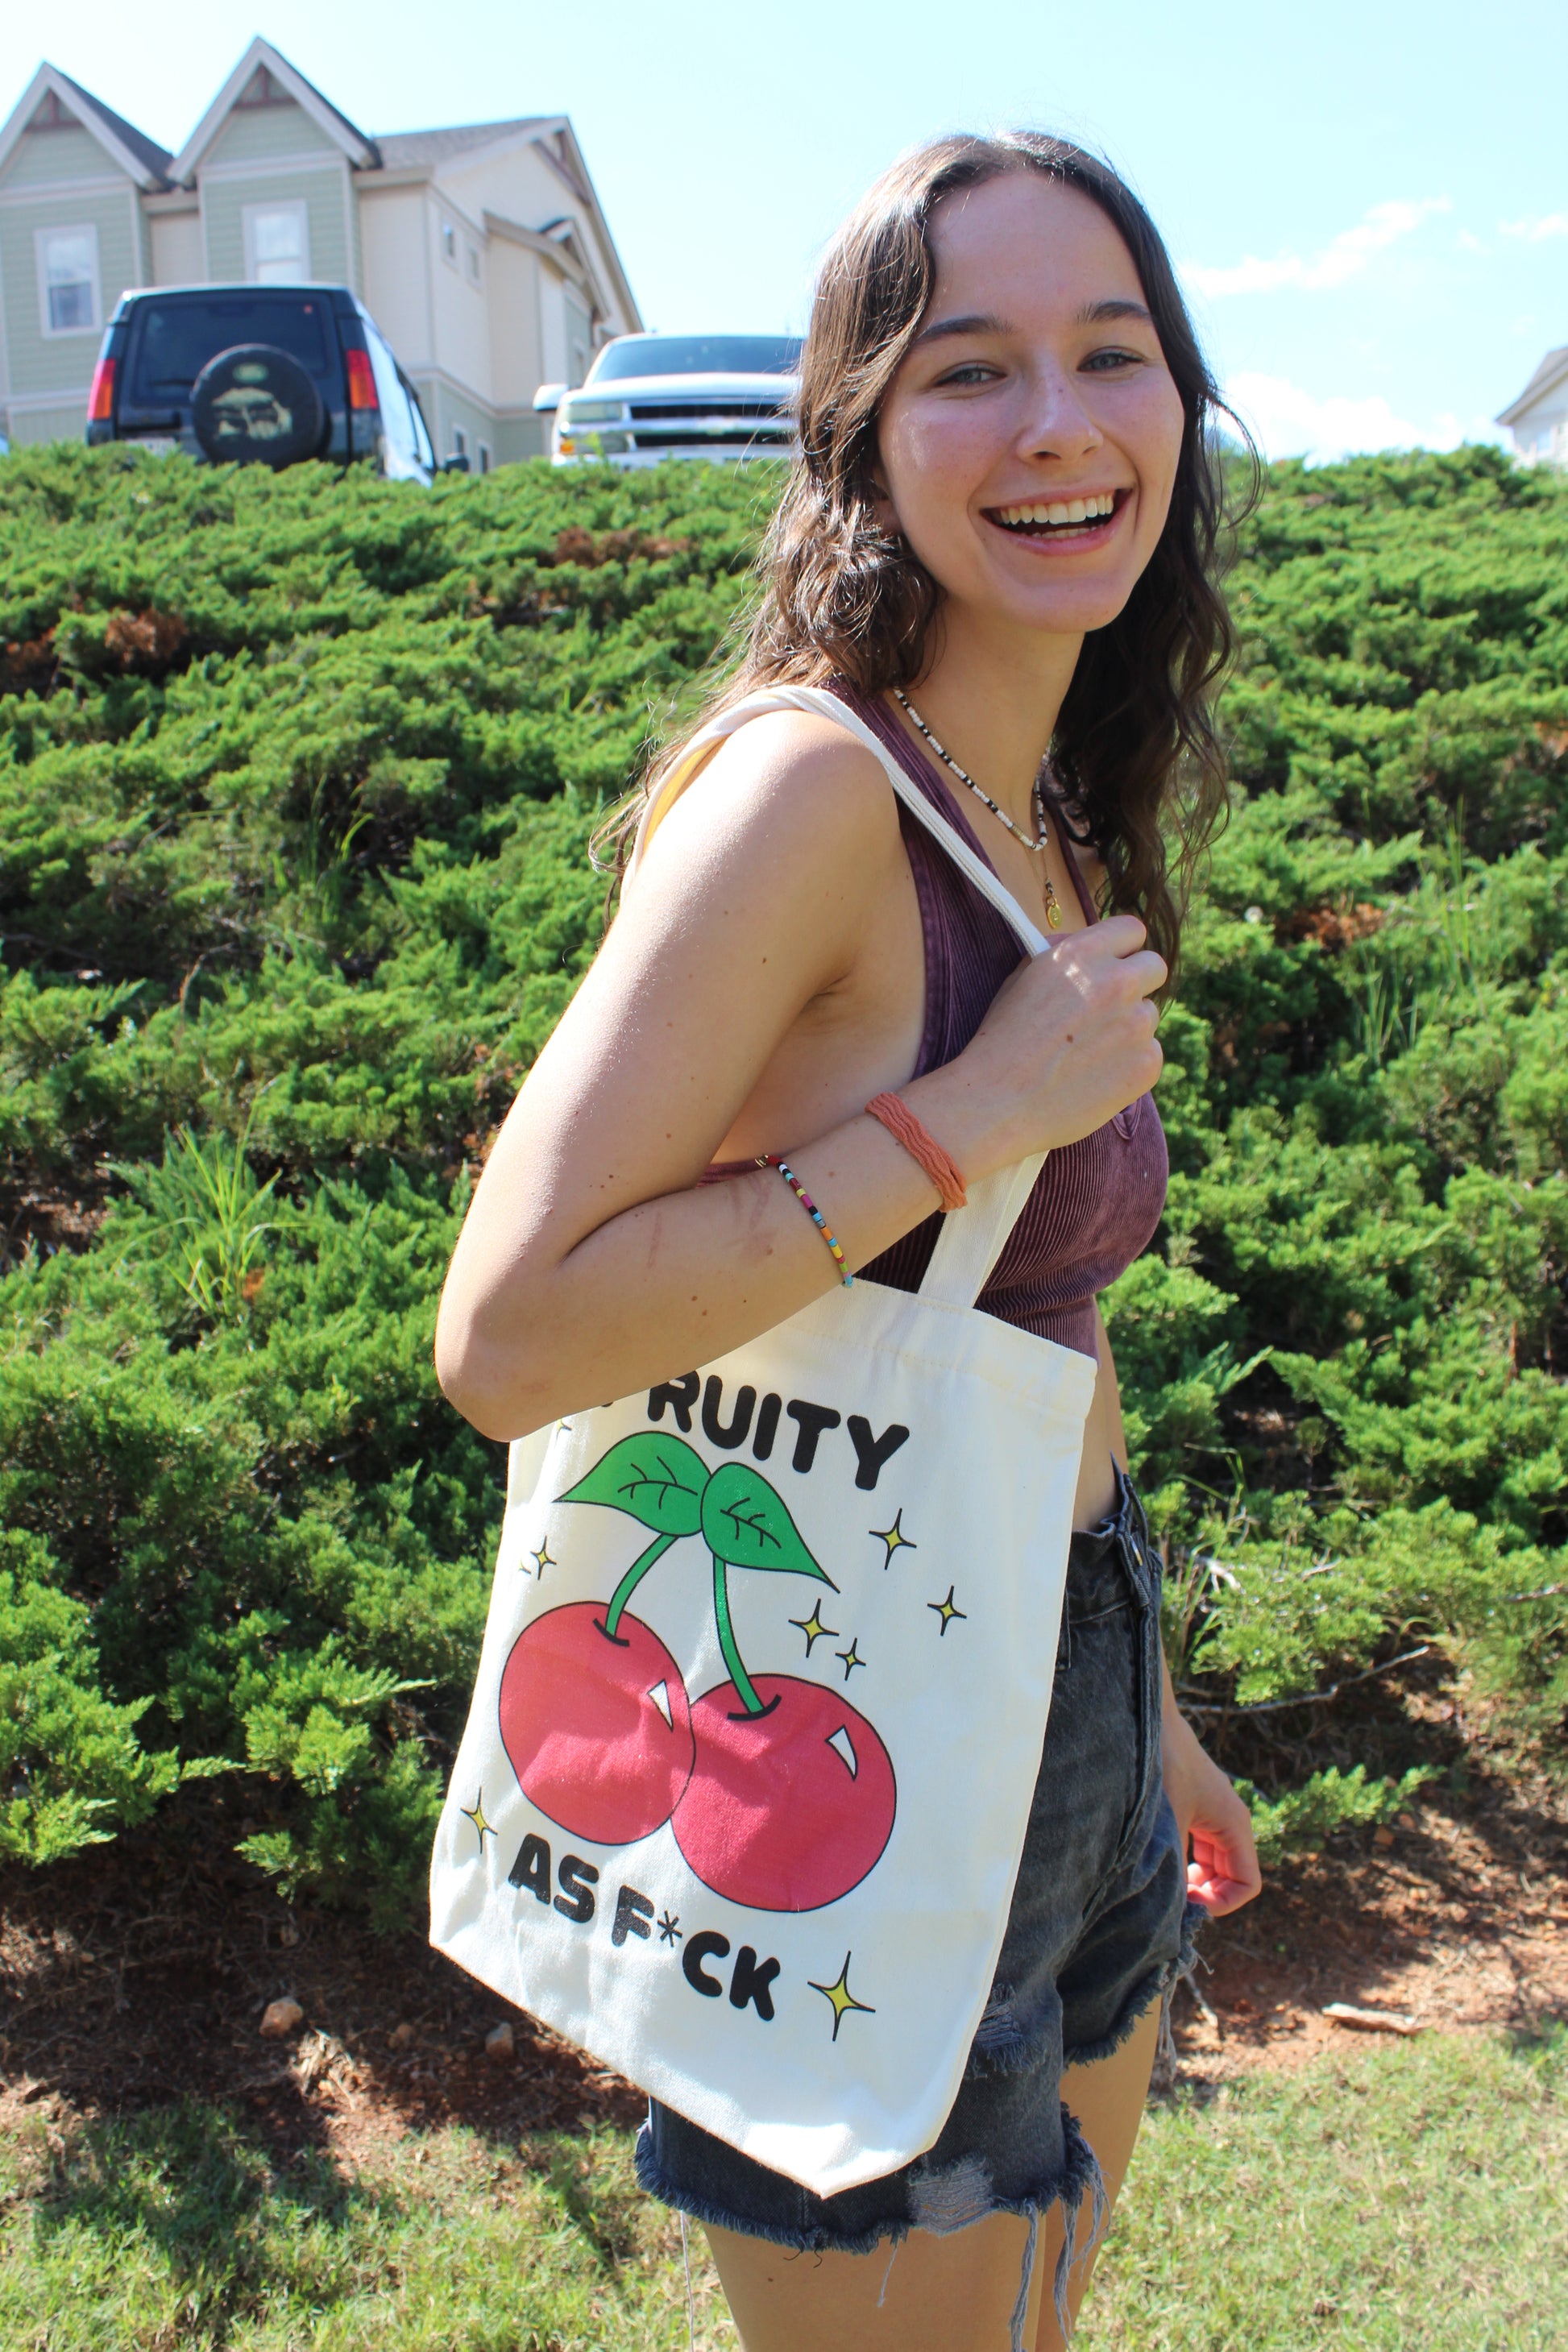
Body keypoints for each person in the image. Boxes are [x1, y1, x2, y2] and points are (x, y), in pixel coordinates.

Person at [436, 129, 1263, 2352]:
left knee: (1037, 2317)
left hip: (1051, 1675)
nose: (1062, 426)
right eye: (968, 371)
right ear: (859, 438)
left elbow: (1037, 1314)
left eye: (1113, 357)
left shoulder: (1052, 801)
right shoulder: (812, 797)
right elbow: (508, 1338)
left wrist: (1149, 1710)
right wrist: (961, 1115)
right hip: (844, 1724)